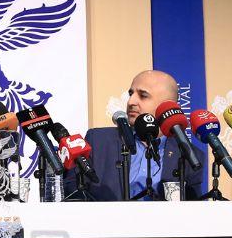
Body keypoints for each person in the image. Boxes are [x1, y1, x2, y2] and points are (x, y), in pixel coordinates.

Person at [74, 70, 204, 201]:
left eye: (143, 96)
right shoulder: (97, 141)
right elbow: (72, 195)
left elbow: (192, 208)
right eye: (131, 94)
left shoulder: (188, 156)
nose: (131, 101)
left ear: (167, 106)